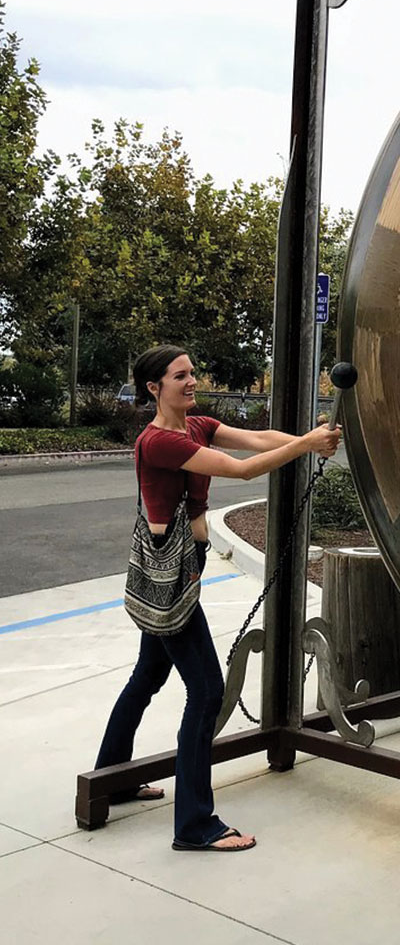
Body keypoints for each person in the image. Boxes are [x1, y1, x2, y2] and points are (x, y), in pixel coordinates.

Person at [95, 344, 340, 852]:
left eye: (192, 373)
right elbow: (242, 469)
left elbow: (256, 439)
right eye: (179, 376)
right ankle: (195, 825)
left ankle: (113, 777)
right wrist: (307, 444)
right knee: (206, 692)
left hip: (182, 565)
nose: (191, 381)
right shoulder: (159, 441)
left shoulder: (196, 425)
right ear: (153, 387)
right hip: (171, 575)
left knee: (149, 674)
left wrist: (309, 441)